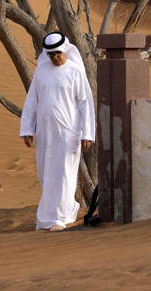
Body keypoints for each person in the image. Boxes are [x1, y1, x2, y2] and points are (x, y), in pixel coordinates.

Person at [20, 32, 95, 231]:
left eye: (58, 53)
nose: (55, 57)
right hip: (46, 133)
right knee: (46, 173)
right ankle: (48, 217)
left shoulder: (75, 71)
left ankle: (60, 218)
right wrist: (27, 128)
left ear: (66, 51)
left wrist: (88, 133)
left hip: (69, 133)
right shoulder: (41, 71)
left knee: (65, 173)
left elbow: (85, 104)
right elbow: (32, 100)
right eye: (51, 54)